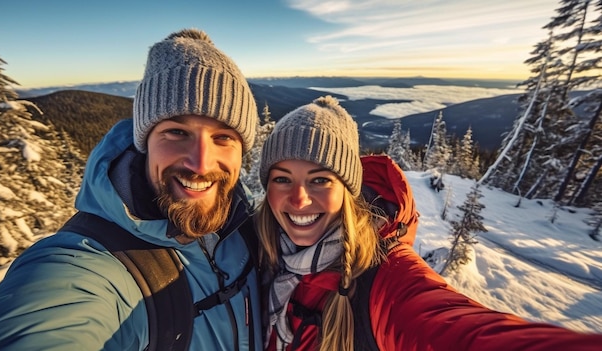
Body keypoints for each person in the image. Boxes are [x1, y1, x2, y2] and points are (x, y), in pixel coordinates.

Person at [0, 28, 263, 350]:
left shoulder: (251, 225)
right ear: (146, 144)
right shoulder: (90, 264)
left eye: (223, 137)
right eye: (176, 132)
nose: (200, 163)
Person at [255, 95, 602, 351]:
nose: (299, 199)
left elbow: (455, 330)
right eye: (282, 179)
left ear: (349, 190)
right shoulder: (255, 251)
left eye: (320, 180)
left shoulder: (385, 274)